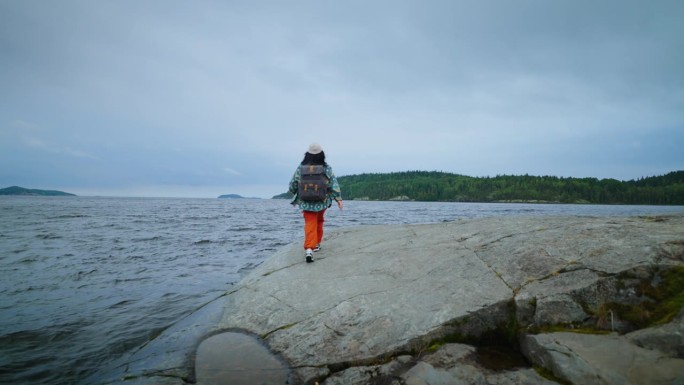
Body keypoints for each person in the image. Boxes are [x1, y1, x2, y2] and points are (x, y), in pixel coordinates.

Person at [288, 143, 343, 263]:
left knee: (310, 222)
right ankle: (316, 244)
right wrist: (338, 198)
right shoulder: (326, 167)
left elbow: (293, 184)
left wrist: (295, 194)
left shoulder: (301, 167)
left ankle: (309, 249)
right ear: (321, 154)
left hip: (306, 201)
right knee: (319, 220)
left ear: (307, 154)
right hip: (322, 200)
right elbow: (333, 183)